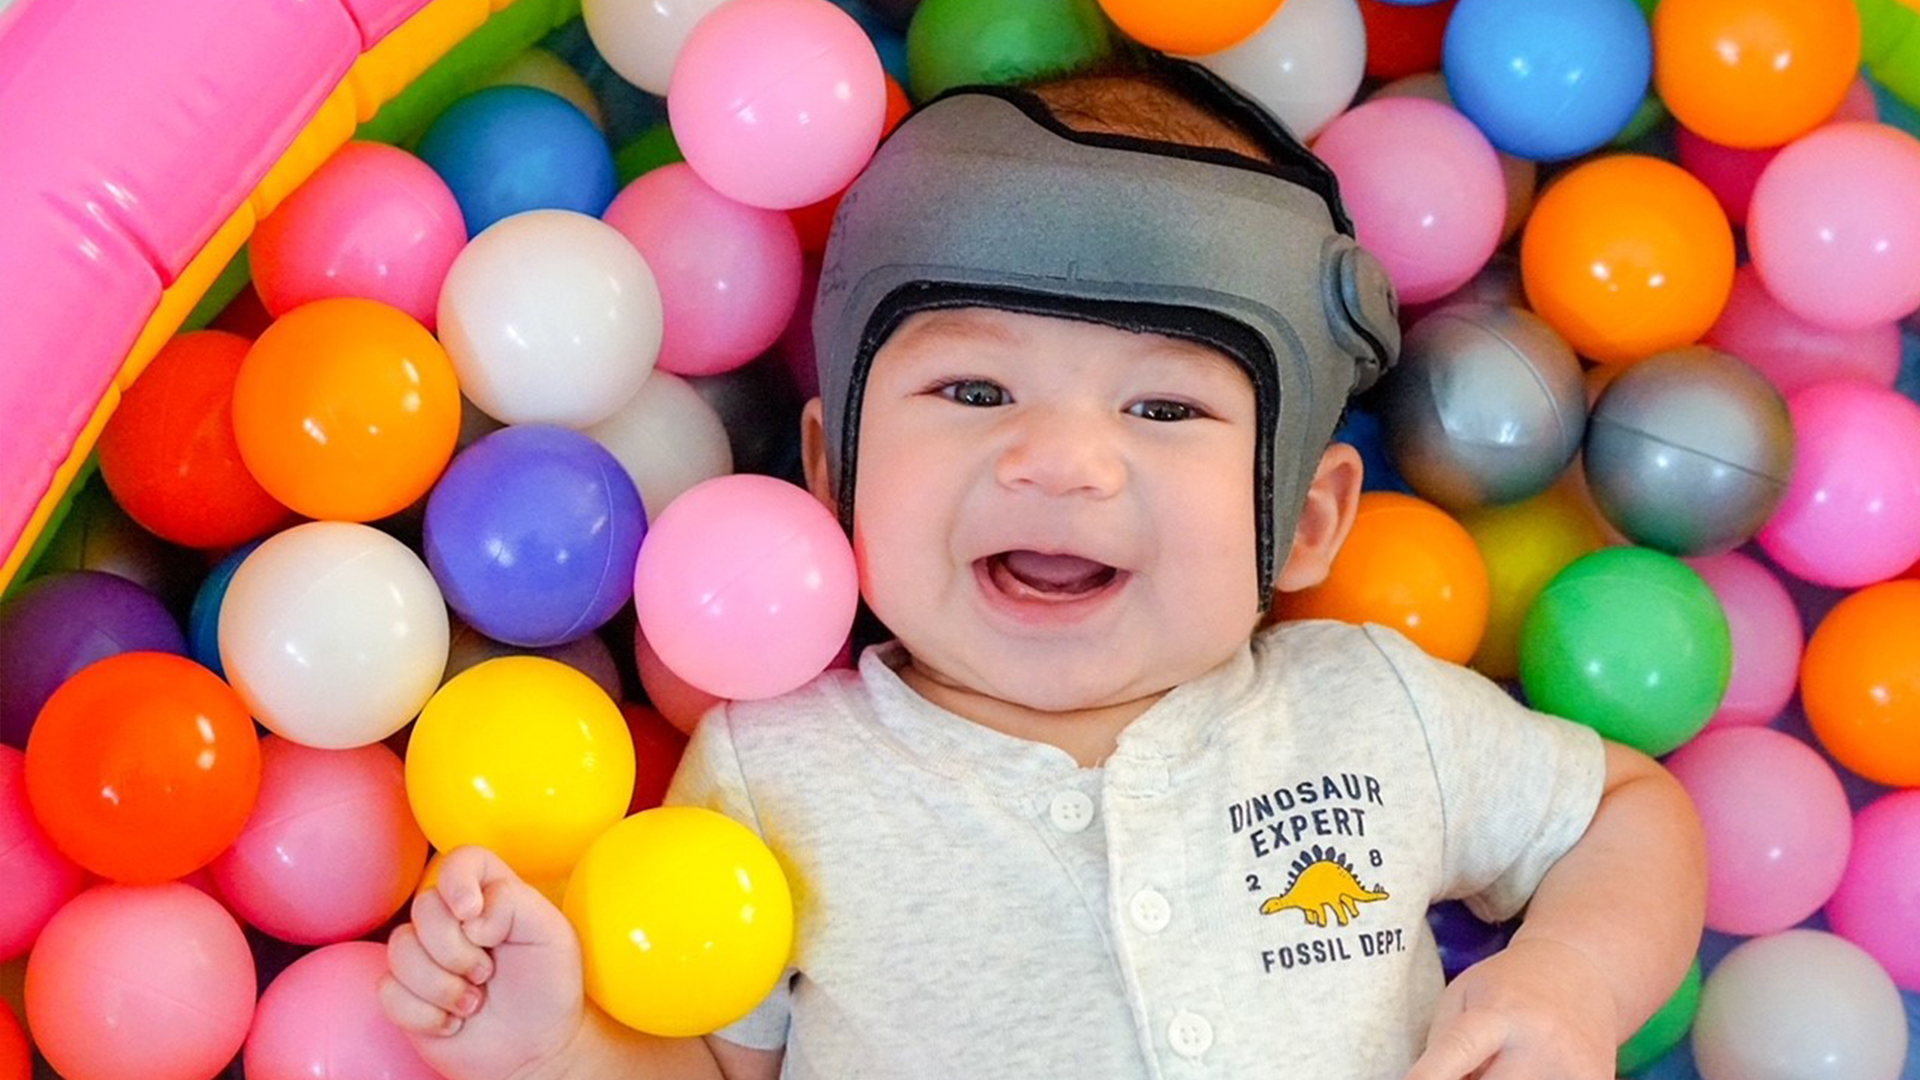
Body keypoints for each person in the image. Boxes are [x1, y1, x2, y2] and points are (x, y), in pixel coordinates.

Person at [380, 57, 1706, 1080]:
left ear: (1303, 521)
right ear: (835, 477)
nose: (1063, 462)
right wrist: (554, 1042)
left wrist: (1566, 989)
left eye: (1164, 410)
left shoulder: (1372, 707)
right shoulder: (780, 770)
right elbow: (718, 1058)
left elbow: (1630, 815)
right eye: (972, 386)